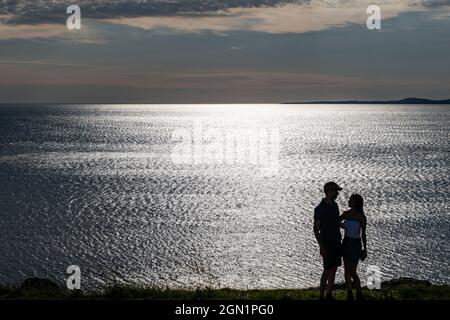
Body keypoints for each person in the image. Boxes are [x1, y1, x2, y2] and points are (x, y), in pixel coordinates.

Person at [313, 182, 343, 300]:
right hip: (327, 242)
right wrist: (321, 246)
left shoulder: (335, 206)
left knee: (334, 267)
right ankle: (321, 296)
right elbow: (316, 229)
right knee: (327, 269)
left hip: (336, 240)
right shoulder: (319, 208)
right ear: (329, 191)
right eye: (335, 191)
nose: (337, 193)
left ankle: (329, 294)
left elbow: (336, 222)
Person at [339, 194, 367, 300]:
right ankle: (349, 293)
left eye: (350, 200)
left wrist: (365, 249)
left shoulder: (361, 216)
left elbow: (363, 234)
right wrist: (345, 227)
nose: (348, 201)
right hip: (346, 242)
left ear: (356, 202)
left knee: (352, 271)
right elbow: (337, 221)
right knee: (346, 269)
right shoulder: (346, 214)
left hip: (355, 244)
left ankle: (359, 293)